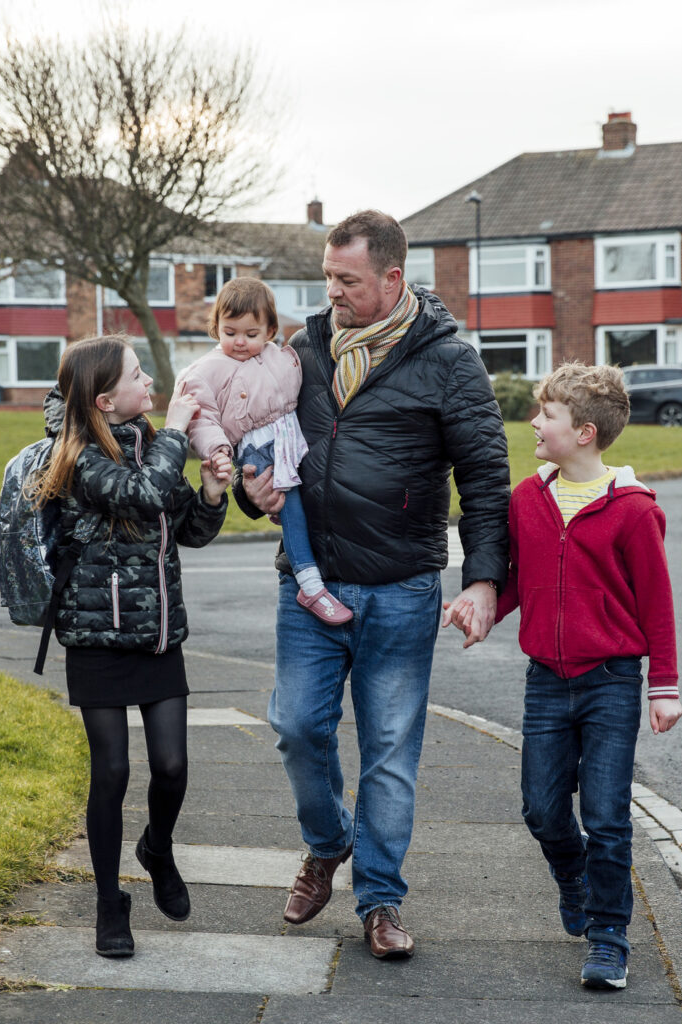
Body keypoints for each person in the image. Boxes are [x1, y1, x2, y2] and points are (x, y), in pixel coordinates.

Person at [236, 210, 510, 959]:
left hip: (401, 588)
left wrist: (483, 578)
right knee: (296, 725)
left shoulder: (450, 360)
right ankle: (328, 843)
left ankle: (380, 902)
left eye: (346, 280)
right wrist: (248, 491)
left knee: (390, 751)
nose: (332, 294)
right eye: (327, 278)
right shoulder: (301, 351)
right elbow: (260, 445)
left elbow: (487, 476)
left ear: (393, 278)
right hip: (310, 583)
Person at [480, 361, 682, 989]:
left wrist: (665, 685)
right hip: (545, 680)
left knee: (607, 815)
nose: (535, 422)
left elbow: (656, 602)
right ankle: (573, 876)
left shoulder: (633, 511)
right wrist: (483, 603)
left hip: (612, 681)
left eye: (548, 414)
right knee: (541, 810)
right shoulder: (527, 499)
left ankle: (608, 938)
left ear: (586, 432)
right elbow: (520, 579)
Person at [27, 334, 231, 958]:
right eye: (140, 376)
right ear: (106, 399)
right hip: (96, 636)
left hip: (157, 632)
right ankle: (109, 903)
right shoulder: (79, 454)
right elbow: (139, 495)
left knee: (171, 766)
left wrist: (213, 492)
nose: (151, 383)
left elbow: (183, 529)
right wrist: (176, 432)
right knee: (111, 771)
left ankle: (158, 848)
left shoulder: (148, 442)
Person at [177, 277, 351, 624]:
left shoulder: (281, 354)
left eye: (251, 334)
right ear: (216, 328)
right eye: (230, 332)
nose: (239, 342)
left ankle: (325, 565)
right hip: (258, 445)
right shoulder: (205, 370)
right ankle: (308, 581)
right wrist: (218, 450)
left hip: (289, 437)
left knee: (315, 494)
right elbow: (202, 419)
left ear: (270, 330)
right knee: (293, 506)